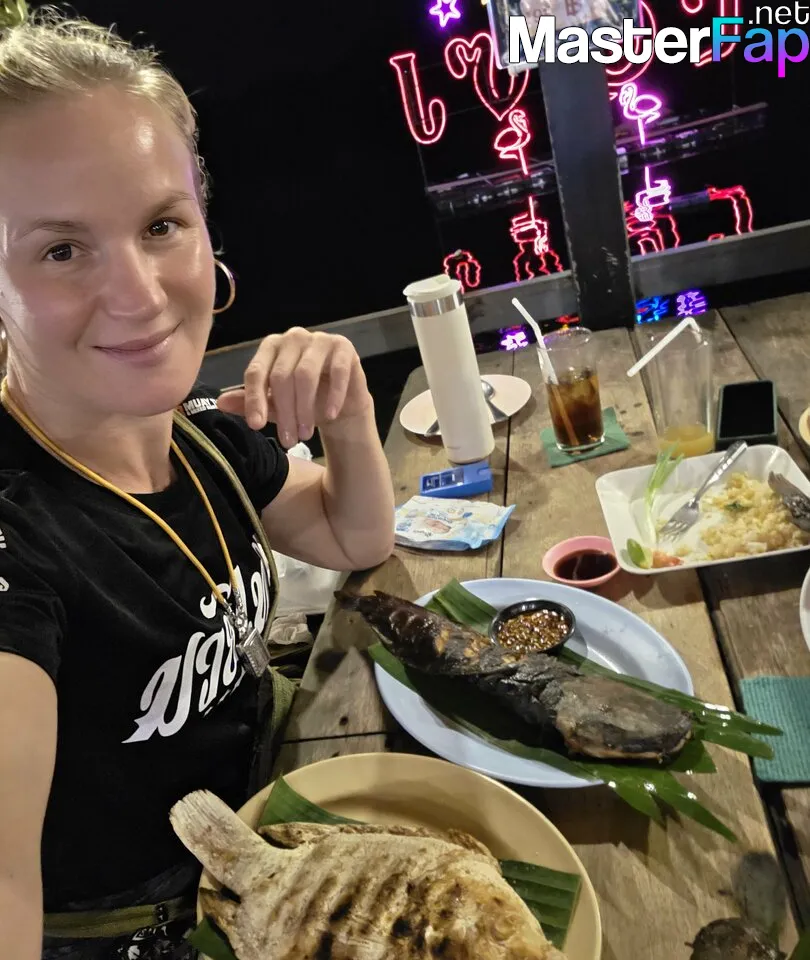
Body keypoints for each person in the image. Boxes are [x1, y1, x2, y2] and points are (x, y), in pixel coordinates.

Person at [0, 7, 395, 959]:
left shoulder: (203, 441)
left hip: (270, 835)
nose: (139, 294)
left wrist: (347, 412)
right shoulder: (20, 534)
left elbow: (355, 537)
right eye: (60, 249)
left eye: (160, 225)